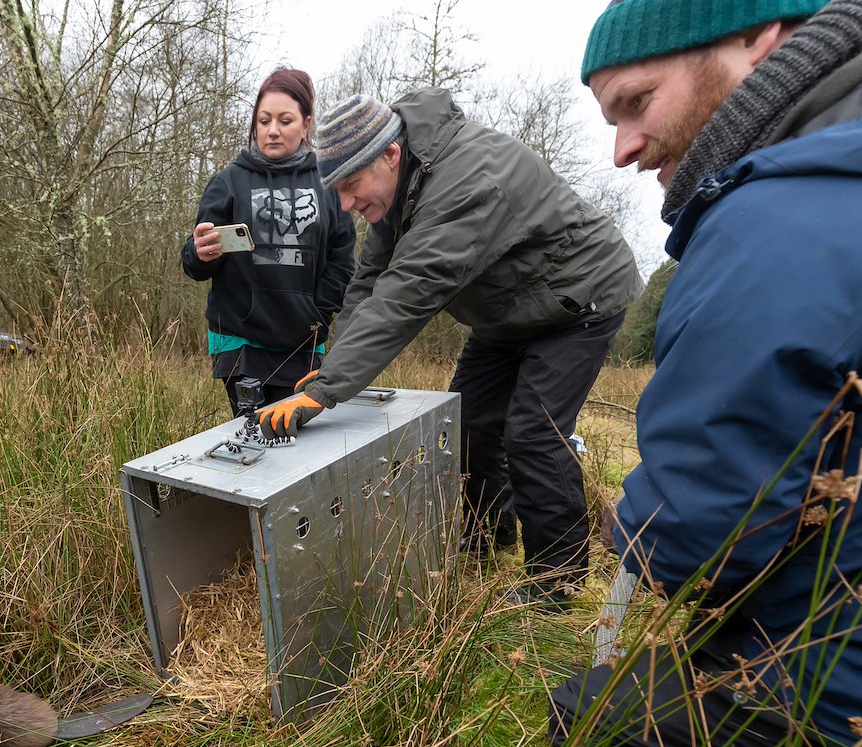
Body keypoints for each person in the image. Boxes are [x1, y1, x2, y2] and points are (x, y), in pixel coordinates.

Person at [552, 0, 862, 747]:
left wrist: (632, 523)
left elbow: (695, 540)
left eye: (636, 102)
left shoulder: (784, 214)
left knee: (590, 717)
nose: (620, 150)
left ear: (759, 41)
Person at [254, 90, 643, 608]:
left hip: (576, 300)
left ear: (390, 155)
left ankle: (558, 580)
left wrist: (328, 390)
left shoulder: (465, 180)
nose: (346, 205)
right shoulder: (400, 190)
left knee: (532, 433)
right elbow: (370, 283)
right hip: (507, 313)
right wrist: (329, 367)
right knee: (469, 424)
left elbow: (407, 292)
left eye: (351, 185)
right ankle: (486, 537)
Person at [181, 68, 356, 416]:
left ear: (306, 125)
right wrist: (200, 253)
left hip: (304, 339)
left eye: (285, 120)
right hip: (240, 339)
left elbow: (343, 261)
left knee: (297, 444)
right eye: (263, 121)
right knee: (255, 441)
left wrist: (318, 313)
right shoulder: (229, 181)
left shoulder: (328, 185)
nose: (272, 130)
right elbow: (194, 262)